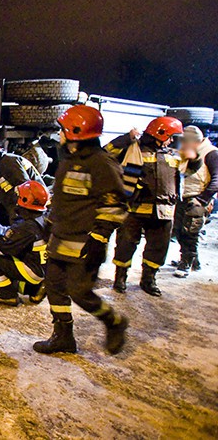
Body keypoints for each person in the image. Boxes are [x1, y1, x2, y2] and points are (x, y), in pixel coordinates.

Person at [34, 105, 128, 355]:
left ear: (76, 132)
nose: (60, 134)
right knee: (54, 287)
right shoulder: (69, 160)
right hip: (60, 239)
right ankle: (63, 337)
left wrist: (99, 238)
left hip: (84, 244)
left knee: (80, 292)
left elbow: (115, 205)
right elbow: (64, 199)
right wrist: (49, 226)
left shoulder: (101, 164)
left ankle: (114, 322)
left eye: (63, 130)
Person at [106, 116, 183, 296]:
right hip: (135, 209)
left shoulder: (174, 156)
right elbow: (106, 153)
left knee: (158, 248)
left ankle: (149, 280)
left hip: (163, 211)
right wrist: (126, 138)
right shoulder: (134, 149)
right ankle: (120, 277)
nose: (172, 140)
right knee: (126, 244)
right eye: (170, 136)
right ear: (159, 133)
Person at [0, 180, 49, 306]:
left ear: (25, 199)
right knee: (15, 258)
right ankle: (35, 289)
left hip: (33, 271)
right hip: (45, 269)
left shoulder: (26, 226)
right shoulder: (43, 217)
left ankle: (5, 295)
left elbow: (1, 248)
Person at [173, 125, 218, 278]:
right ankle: (192, 261)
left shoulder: (211, 153)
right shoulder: (187, 152)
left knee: (190, 233)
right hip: (184, 197)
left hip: (197, 200)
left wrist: (202, 199)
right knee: (179, 231)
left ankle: (186, 263)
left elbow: (217, 180)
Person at [0, 141, 46, 223]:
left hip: (27, 212)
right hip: (25, 212)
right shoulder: (2, 168)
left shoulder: (8, 162)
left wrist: (19, 214)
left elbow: (26, 187)